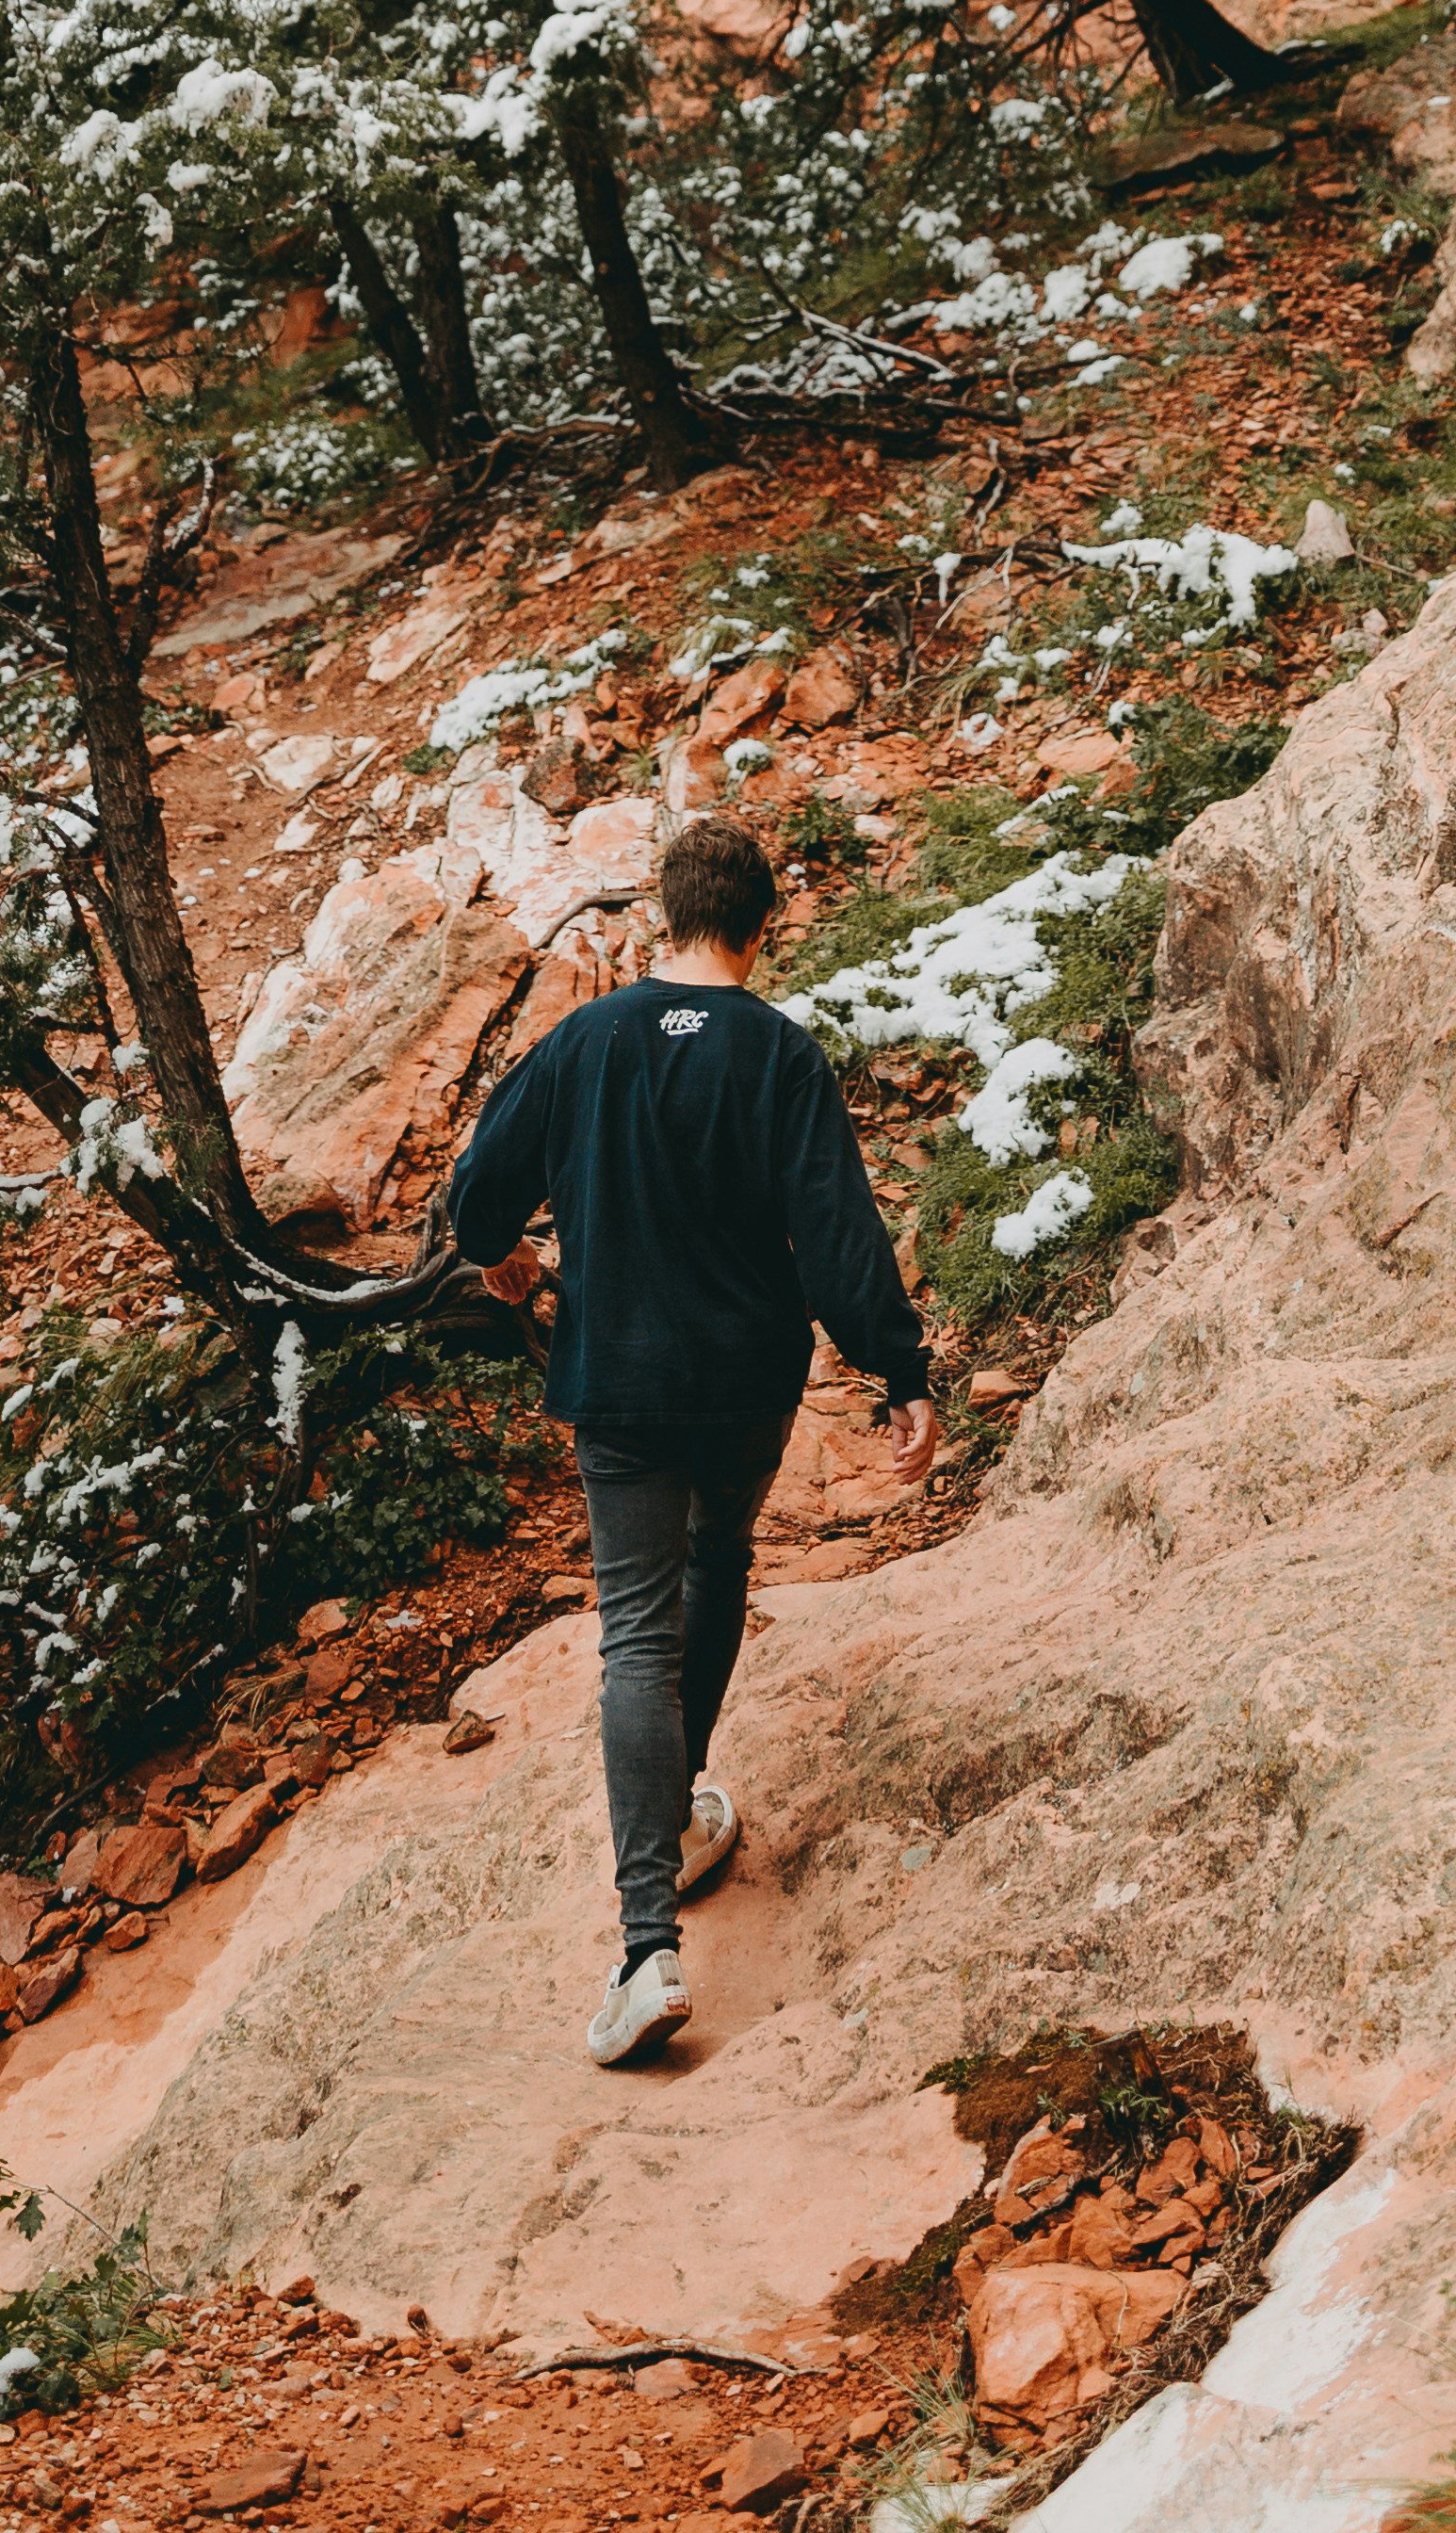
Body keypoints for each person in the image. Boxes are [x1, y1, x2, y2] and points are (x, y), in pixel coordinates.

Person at [445, 811, 943, 2068]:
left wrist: (505, 1255)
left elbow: (476, 1199)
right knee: (718, 1571)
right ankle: (678, 1809)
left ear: (660, 920)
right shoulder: (780, 1056)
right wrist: (899, 1371)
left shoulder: (583, 1042)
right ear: (761, 929)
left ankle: (647, 1944)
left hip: (619, 1381)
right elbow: (837, 1236)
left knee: (633, 1630)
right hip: (747, 1384)